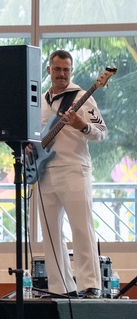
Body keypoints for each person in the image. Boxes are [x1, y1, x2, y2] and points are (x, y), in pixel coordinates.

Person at [35, 50, 108, 298]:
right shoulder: (40, 101)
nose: (62, 74)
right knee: (50, 232)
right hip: (44, 171)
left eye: (66, 70)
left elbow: (102, 132)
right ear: (49, 71)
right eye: (57, 69)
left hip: (74, 169)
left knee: (81, 227)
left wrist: (82, 125)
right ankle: (60, 287)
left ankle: (90, 284)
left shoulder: (82, 98)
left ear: (71, 71)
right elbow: (35, 136)